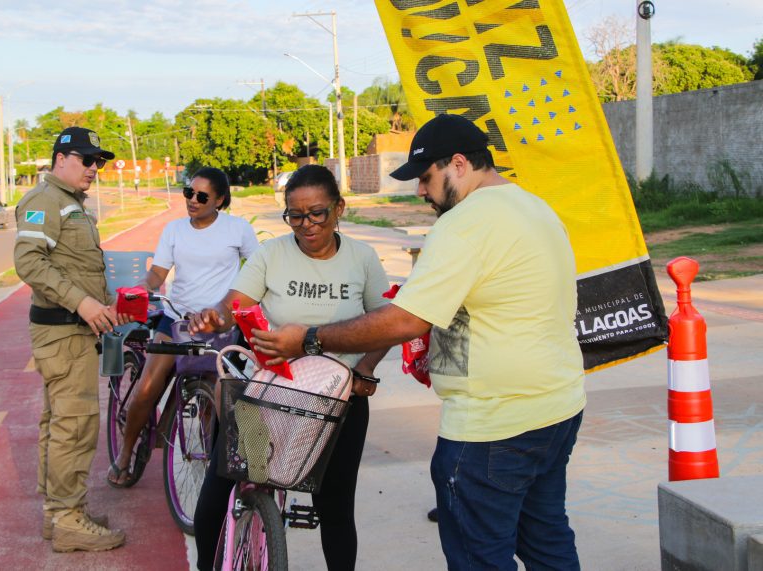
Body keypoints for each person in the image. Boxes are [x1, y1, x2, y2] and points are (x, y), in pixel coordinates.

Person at [252, 114, 587, 570]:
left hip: (494, 425)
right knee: (546, 542)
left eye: (426, 178)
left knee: (479, 558)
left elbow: (405, 320)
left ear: (459, 164)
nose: (421, 192)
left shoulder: (466, 223)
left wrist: (308, 339)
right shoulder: (533, 208)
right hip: (556, 408)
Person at [188, 164, 390, 571]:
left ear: (339, 209)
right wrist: (215, 316)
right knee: (212, 502)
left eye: (317, 213)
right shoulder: (271, 254)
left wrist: (364, 372)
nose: (307, 224)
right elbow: (235, 303)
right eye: (295, 215)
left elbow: (383, 322)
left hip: (338, 400)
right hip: (268, 393)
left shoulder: (363, 258)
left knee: (334, 511)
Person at [106, 166, 259, 487]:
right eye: (188, 192)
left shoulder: (238, 229)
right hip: (176, 318)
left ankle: (226, 467)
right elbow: (157, 276)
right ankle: (125, 454)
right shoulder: (174, 230)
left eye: (202, 196)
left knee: (221, 398)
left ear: (219, 200)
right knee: (148, 387)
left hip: (218, 323)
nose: (192, 200)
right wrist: (139, 290)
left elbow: (257, 270)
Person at [14, 126, 126, 552]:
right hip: (63, 329)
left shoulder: (69, 203)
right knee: (75, 425)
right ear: (61, 159)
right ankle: (67, 518)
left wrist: (106, 304)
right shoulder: (46, 201)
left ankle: (60, 512)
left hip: (74, 330)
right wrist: (83, 303)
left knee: (60, 422)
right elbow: (28, 262)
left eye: (98, 161)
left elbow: (77, 266)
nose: (95, 168)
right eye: (87, 159)